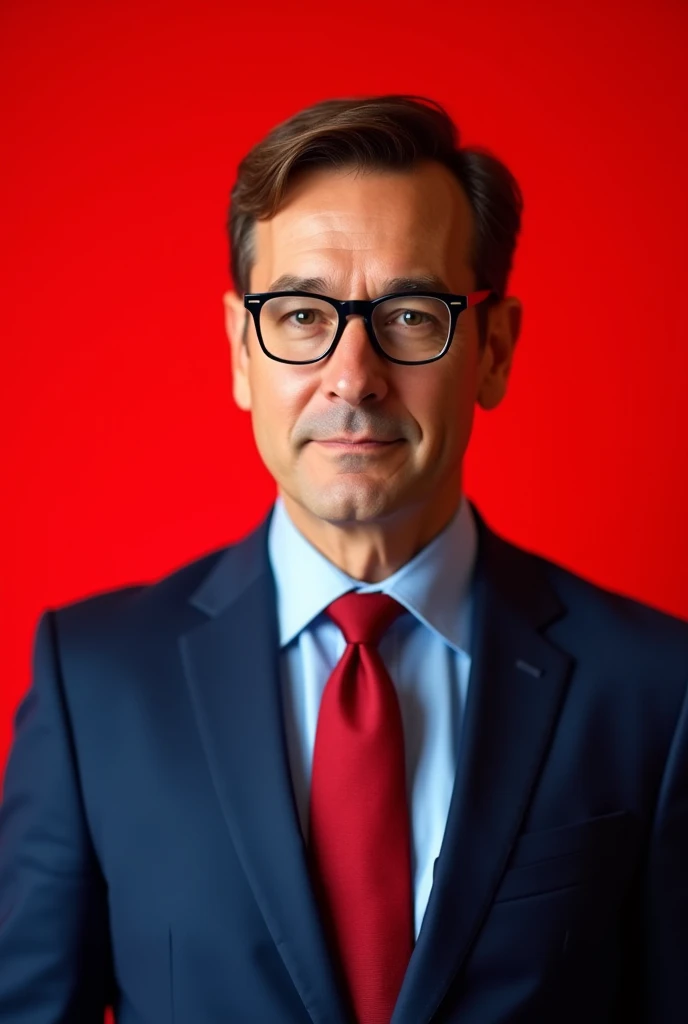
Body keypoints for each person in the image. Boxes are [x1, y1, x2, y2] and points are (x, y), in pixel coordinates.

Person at [0, 93, 687, 1024]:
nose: (353, 374)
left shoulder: (655, 689)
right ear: (243, 351)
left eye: (408, 314)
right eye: (300, 314)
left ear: (493, 349)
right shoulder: (95, 686)